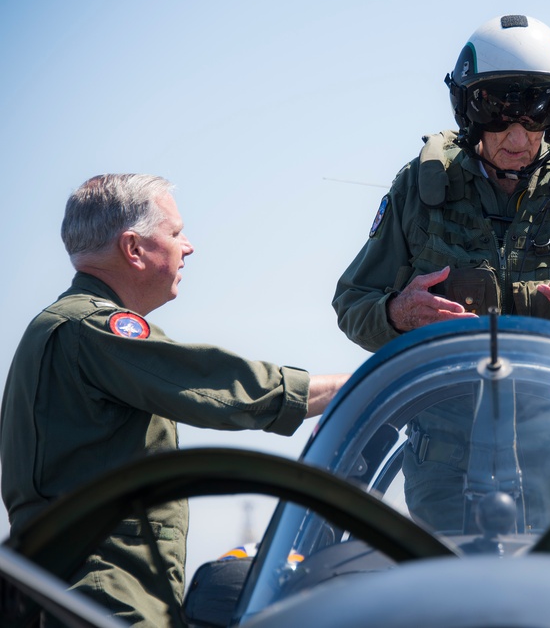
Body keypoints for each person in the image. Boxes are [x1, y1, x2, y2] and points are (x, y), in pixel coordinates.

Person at [333, 14, 550, 532]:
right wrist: (396, 314)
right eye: (498, 114)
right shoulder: (419, 190)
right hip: (446, 467)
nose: (517, 137)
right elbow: (354, 303)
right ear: (468, 111)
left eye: (536, 115)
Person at [0, 174, 350, 627]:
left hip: (65, 588)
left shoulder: (59, 327)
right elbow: (216, 387)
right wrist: (357, 383)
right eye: (176, 232)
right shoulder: (95, 328)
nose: (188, 247)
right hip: (106, 595)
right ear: (133, 248)